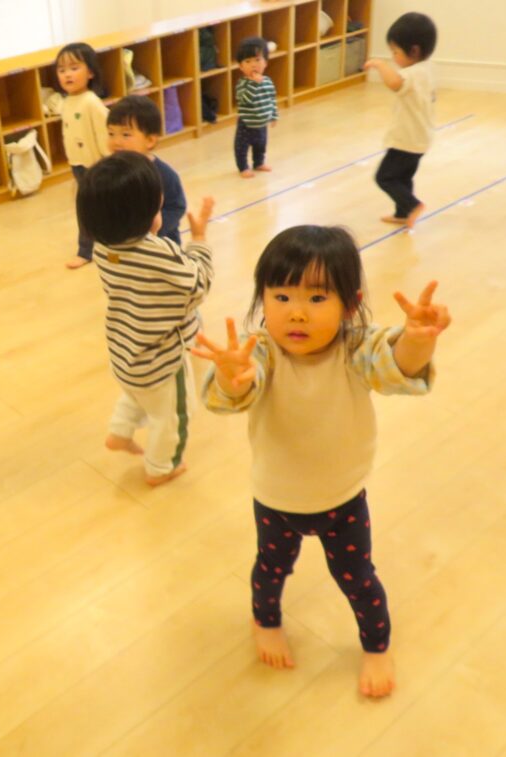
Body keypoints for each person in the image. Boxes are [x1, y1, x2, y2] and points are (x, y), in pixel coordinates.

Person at [193, 225, 450, 697]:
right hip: (275, 499)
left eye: (316, 298)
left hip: (343, 499)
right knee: (270, 568)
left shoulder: (355, 348)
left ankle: (376, 646)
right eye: (281, 296)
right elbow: (233, 392)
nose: (297, 312)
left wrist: (418, 339)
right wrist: (232, 377)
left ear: (350, 305)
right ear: (262, 298)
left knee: (359, 581)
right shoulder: (261, 351)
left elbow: (397, 365)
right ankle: (265, 620)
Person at [77, 151, 214, 486]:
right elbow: (198, 285)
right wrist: (199, 241)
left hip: (125, 352)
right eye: (157, 207)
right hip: (161, 358)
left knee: (137, 393)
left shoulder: (103, 248)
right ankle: (160, 467)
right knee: (174, 414)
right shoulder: (158, 254)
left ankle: (120, 432)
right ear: (147, 218)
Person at [364, 12, 438, 229]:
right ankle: (403, 213)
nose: (393, 58)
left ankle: (412, 205)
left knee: (385, 177)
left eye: (395, 52)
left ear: (414, 51)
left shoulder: (412, 73)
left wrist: (380, 65)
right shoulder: (427, 69)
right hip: (420, 138)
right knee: (403, 177)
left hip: (406, 139)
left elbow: (394, 83)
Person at [53, 42, 111, 269]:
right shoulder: (67, 101)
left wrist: (108, 166)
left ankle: (90, 250)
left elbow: (105, 135)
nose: (67, 74)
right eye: (62, 69)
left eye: (74, 68)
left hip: (95, 167)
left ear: (91, 72)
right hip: (78, 166)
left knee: (91, 209)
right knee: (87, 209)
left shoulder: (91, 102)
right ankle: (93, 249)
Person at [106, 95, 187, 245]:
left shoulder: (164, 175)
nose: (116, 141)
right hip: (125, 245)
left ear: (150, 140)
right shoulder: (110, 172)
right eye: (111, 134)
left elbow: (176, 207)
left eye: (126, 134)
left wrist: (151, 229)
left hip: (161, 245)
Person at [233, 36, 278, 178]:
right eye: (248, 61)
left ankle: (259, 163)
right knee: (241, 147)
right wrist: (254, 84)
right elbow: (245, 100)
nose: (253, 65)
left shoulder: (268, 81)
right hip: (246, 123)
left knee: (261, 145)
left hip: (262, 123)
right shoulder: (242, 84)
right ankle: (243, 167)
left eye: (257, 60)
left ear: (265, 63)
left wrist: (274, 115)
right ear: (241, 66)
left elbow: (271, 99)